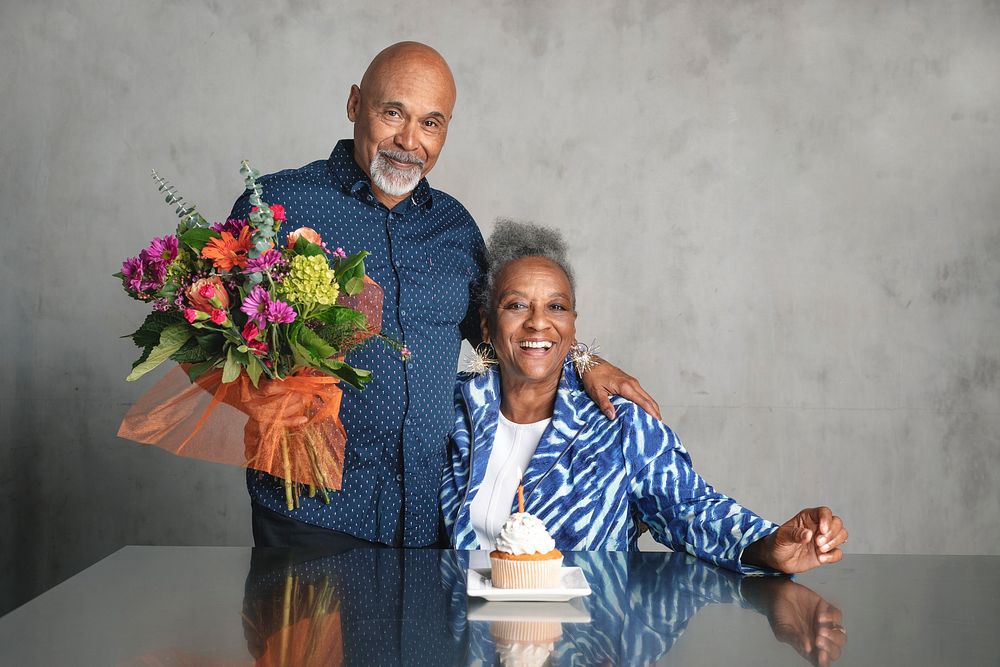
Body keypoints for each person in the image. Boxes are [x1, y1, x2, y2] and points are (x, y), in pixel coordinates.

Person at [228, 42, 660, 549]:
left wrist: (583, 362)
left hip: (431, 514)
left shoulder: (455, 228)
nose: (409, 141)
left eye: (431, 123)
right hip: (313, 508)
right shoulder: (279, 206)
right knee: (307, 633)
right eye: (393, 113)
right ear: (353, 104)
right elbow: (226, 343)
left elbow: (499, 337)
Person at [440, 220, 848, 574]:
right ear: (487, 327)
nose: (539, 322)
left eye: (556, 306)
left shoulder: (618, 424)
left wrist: (769, 546)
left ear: (573, 326)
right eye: (516, 305)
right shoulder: (449, 411)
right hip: (461, 642)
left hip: (581, 643)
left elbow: (689, 509)